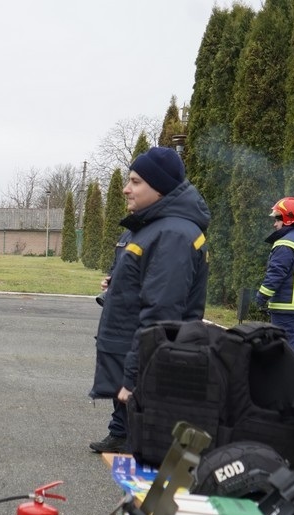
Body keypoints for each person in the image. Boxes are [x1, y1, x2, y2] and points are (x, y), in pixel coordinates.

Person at [89, 146, 209, 454]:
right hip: (134, 348)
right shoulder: (154, 225)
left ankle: (131, 441)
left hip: (148, 361)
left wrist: (133, 381)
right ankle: (121, 433)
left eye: (135, 181)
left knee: (142, 472)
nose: (126, 189)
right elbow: (146, 280)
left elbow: (161, 315)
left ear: (160, 187)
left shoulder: (173, 234)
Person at [255, 197, 294, 363]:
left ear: (288, 220)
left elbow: (276, 273)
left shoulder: (285, 242)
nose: (275, 224)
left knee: (285, 343)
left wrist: (261, 297)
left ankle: (288, 381)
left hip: (286, 304)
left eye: (278, 219)